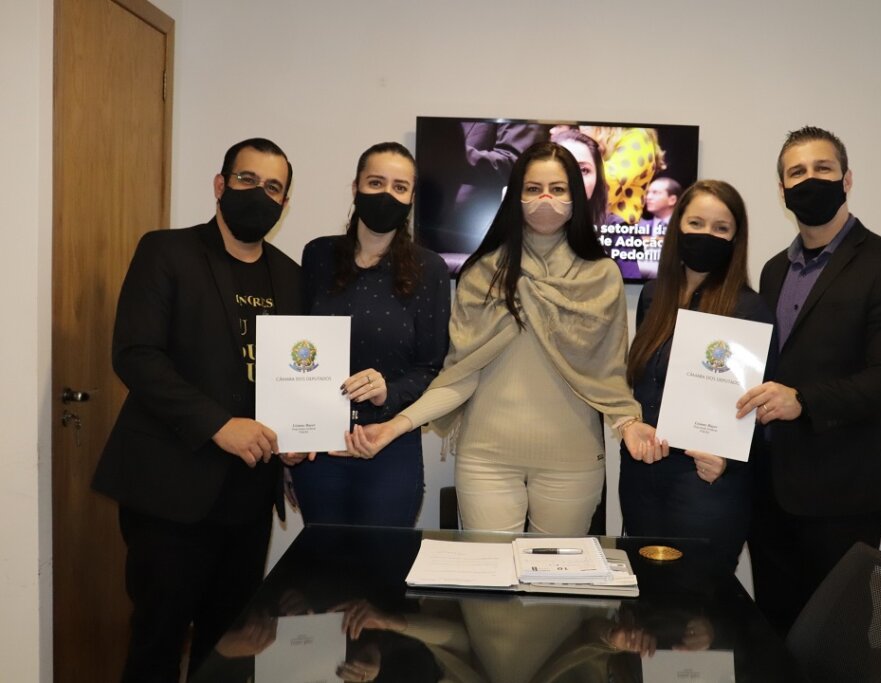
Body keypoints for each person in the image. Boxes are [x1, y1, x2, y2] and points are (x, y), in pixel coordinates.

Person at [345, 141, 663, 535]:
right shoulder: (483, 272)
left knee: (555, 576)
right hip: (486, 462)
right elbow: (460, 375)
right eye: (533, 189)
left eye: (558, 189)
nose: (545, 199)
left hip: (573, 463)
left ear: (576, 198)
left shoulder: (602, 277)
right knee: (487, 575)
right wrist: (393, 426)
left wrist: (630, 424)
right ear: (516, 196)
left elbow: (608, 375)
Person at [92, 138, 306, 681]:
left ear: (284, 204)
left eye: (273, 188)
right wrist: (219, 425)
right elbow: (136, 355)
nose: (259, 194)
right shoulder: (167, 251)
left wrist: (296, 434)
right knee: (158, 642)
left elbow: (291, 376)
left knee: (231, 647)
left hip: (248, 497)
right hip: (170, 491)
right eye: (247, 180)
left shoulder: (290, 276)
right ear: (220, 184)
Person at [736, 126, 881, 635]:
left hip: (845, 492)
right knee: (775, 629)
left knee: (836, 638)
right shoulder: (774, 270)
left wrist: (804, 400)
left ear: (847, 179)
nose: (809, 180)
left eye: (822, 168)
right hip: (772, 489)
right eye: (796, 172)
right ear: (782, 190)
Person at [289, 142, 450, 526]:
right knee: (322, 558)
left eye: (399, 187)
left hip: (389, 444)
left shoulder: (430, 269)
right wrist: (290, 435)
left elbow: (432, 367)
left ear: (411, 198)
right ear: (355, 187)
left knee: (382, 560)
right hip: (318, 450)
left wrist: (387, 392)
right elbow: (295, 350)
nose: (386, 195)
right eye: (376, 183)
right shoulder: (318, 255)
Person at [619, 180, 773, 571]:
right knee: (643, 592)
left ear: (736, 239)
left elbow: (760, 411)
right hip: (642, 476)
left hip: (705, 483)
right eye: (696, 223)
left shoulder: (749, 309)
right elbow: (643, 383)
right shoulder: (653, 296)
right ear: (678, 228)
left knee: (699, 598)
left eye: (721, 228)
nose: (707, 235)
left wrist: (728, 462)